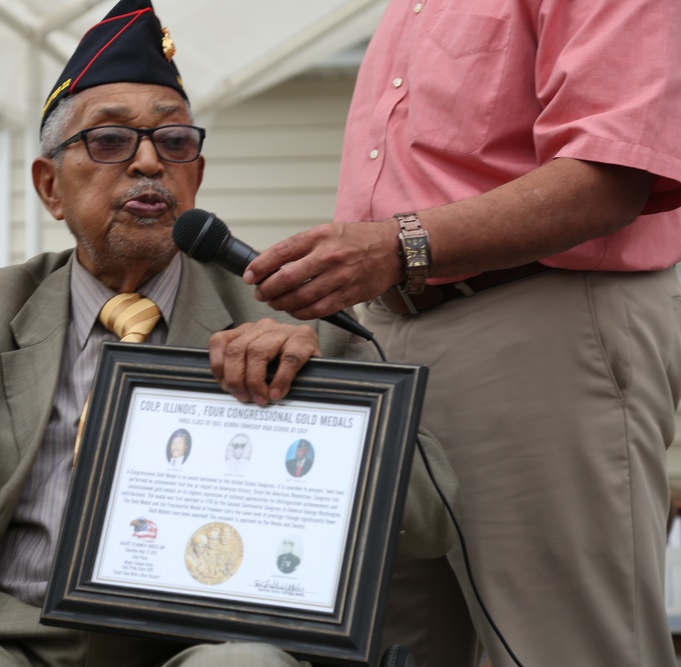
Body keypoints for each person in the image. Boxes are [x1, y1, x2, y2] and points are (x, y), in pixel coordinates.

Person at [0, 1, 461, 664]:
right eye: (110, 140)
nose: (149, 162)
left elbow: (430, 519)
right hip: (1, 634)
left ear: (196, 176)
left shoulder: (292, 319)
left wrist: (317, 392)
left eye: (174, 142)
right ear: (50, 187)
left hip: (205, 638)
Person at [243, 1, 681, 665]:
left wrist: (397, 247)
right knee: (387, 647)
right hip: (391, 334)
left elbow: (612, 172)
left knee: (565, 647)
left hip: (539, 325)